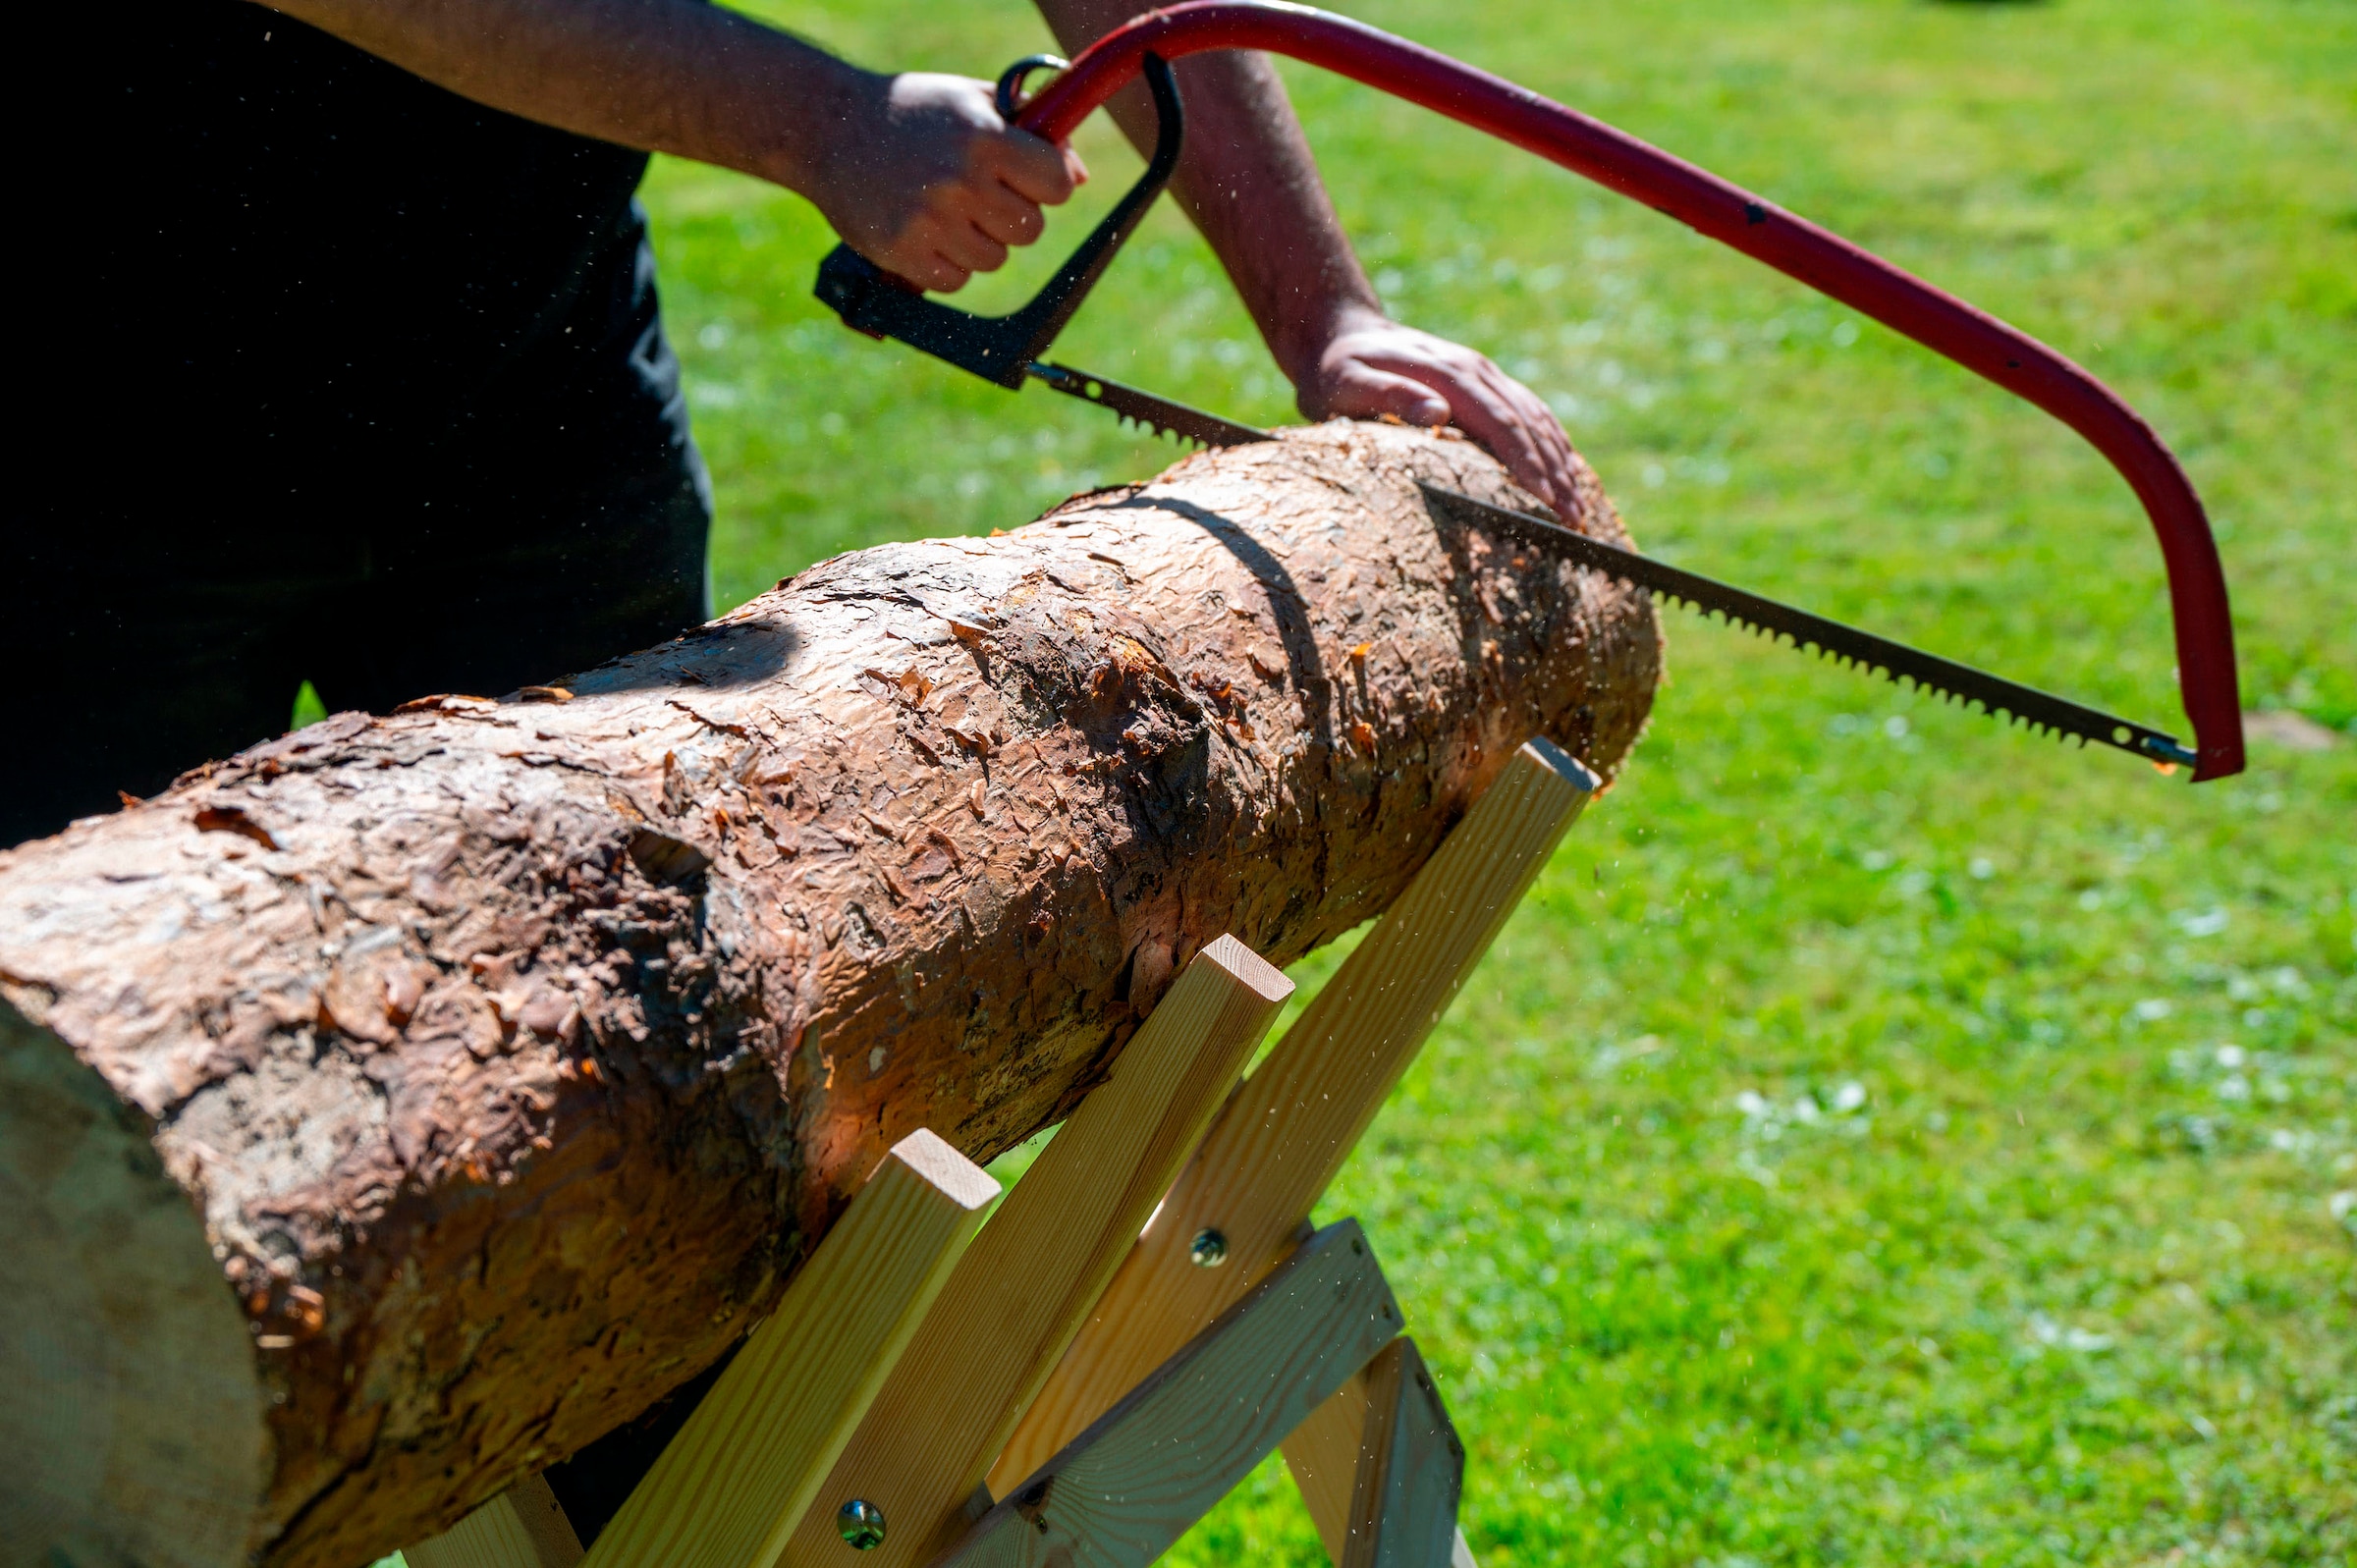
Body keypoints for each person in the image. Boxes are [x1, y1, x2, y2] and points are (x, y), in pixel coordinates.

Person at [8, 0, 1578, 845]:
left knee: (607, 1067)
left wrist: (1329, 317)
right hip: (94, 436)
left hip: (540, 422)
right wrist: (820, 118)